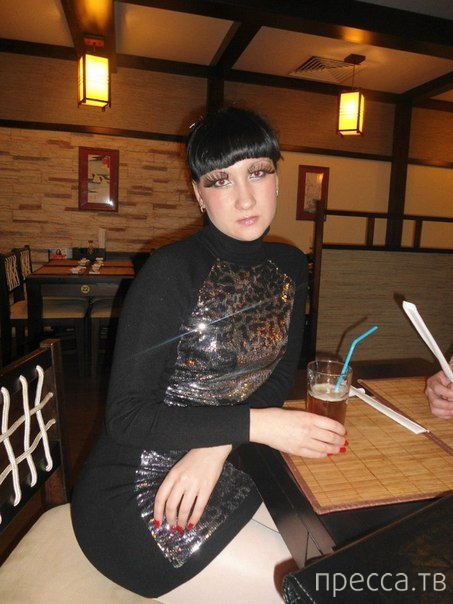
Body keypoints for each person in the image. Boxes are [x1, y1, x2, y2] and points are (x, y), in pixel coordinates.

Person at [71, 106, 347, 602]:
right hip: (136, 494)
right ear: (199, 194)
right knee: (313, 589)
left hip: (226, 463)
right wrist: (256, 426)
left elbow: (277, 378)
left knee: (334, 553)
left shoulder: (290, 265)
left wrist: (216, 446)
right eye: (220, 181)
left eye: (257, 172)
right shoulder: (170, 270)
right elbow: (126, 417)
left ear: (277, 178)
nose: (245, 197)